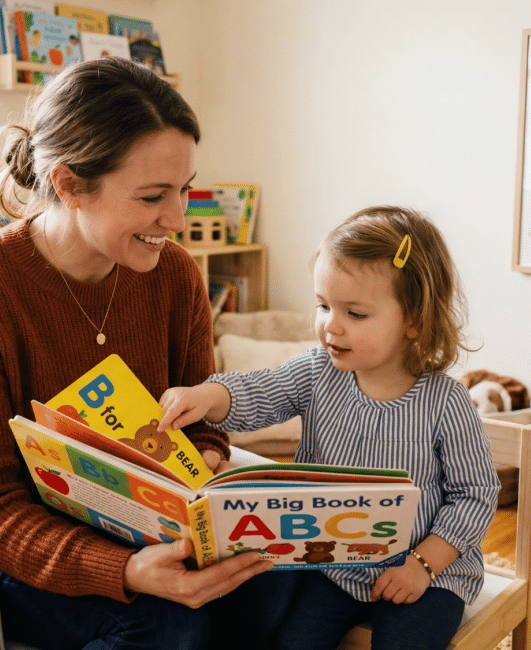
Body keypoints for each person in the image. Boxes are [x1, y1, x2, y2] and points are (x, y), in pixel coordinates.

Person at [0, 57, 347, 650]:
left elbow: (202, 417)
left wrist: (205, 460)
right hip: (29, 546)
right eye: (154, 196)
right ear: (69, 184)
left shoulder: (174, 275)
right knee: (168, 625)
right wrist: (123, 571)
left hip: (149, 523)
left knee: (279, 580)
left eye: (185, 189)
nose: (177, 219)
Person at [158, 205, 502, 650]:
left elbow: (474, 495)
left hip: (428, 571)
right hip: (334, 564)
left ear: (414, 319)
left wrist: (423, 563)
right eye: (323, 305)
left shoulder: (446, 402)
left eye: (355, 314)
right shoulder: (318, 370)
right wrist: (207, 396)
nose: (329, 326)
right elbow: (260, 392)